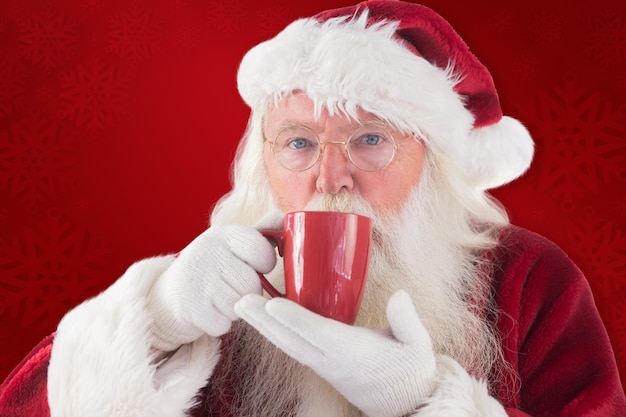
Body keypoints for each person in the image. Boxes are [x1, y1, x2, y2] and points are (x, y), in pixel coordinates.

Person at [1, 0, 625, 416]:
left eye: (371, 140)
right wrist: (157, 323)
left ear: (433, 160)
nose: (331, 177)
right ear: (263, 159)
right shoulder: (216, 284)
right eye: (298, 142)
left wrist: (422, 399)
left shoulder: (533, 280)